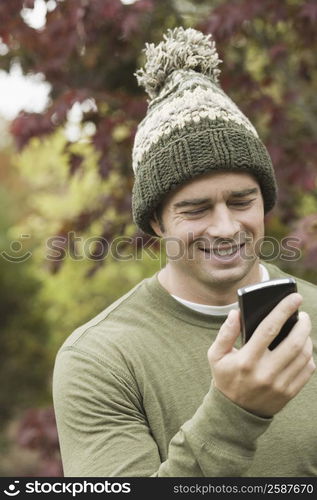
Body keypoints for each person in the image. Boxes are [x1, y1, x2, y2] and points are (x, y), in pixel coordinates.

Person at [52, 27, 317, 477]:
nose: (226, 227)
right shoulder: (99, 359)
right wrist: (235, 413)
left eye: (241, 201)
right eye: (195, 209)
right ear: (156, 222)